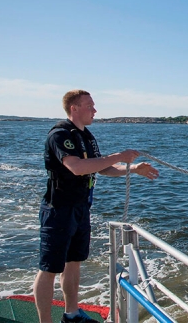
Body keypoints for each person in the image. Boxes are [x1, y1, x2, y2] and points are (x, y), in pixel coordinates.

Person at [33, 89, 160, 323]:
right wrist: (119, 155)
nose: (95, 110)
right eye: (89, 105)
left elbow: (102, 168)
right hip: (58, 210)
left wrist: (132, 169)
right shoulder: (60, 135)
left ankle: (71, 314)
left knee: (74, 263)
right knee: (50, 268)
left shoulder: (88, 137)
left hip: (81, 209)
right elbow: (77, 167)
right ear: (74, 108)